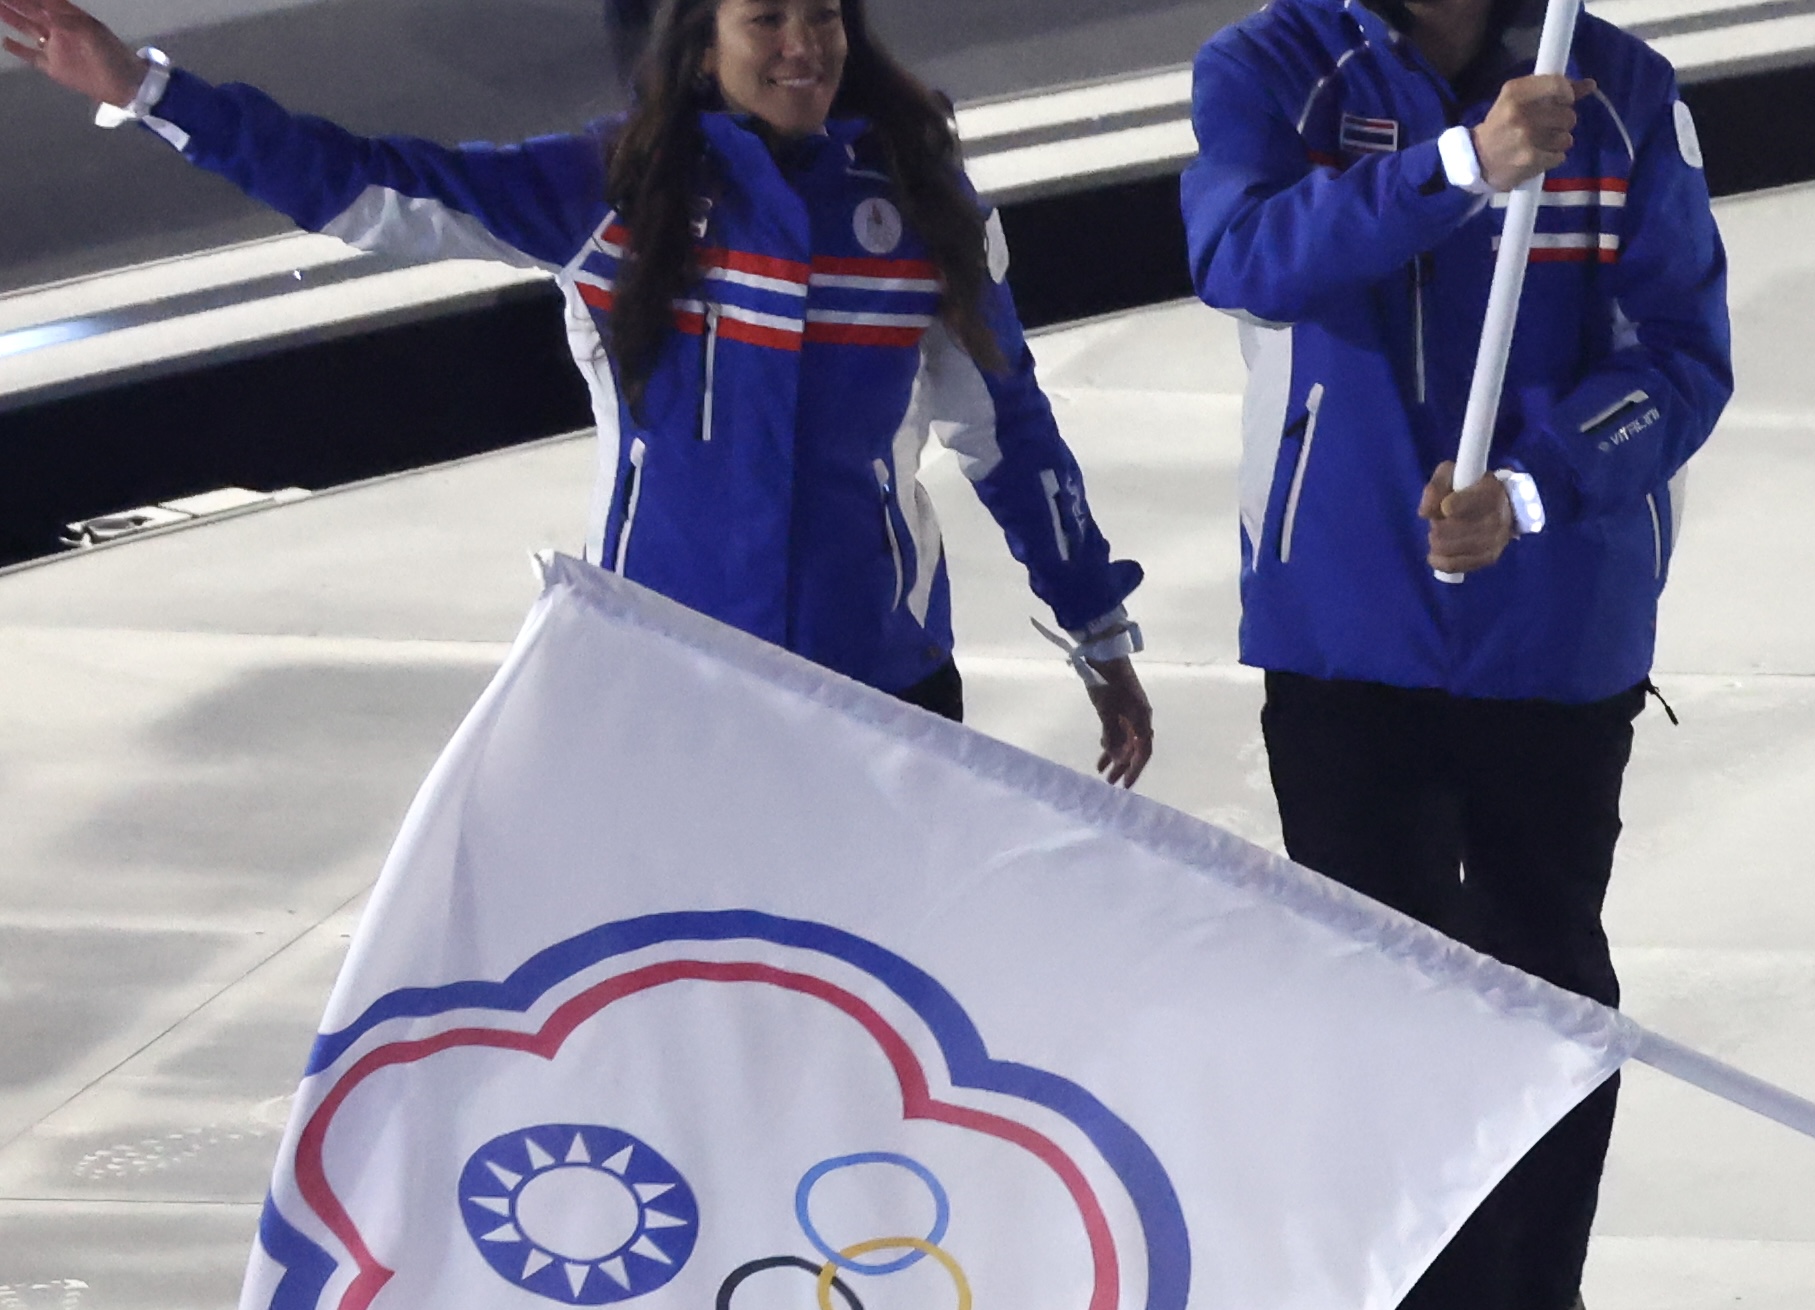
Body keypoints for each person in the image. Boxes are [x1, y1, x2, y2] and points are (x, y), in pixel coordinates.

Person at [0, 0, 1157, 779]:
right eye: (769, 16)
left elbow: (1010, 435)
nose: (803, 41)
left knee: (873, 1038)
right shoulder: (616, 191)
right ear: (706, 43)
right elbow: (361, 182)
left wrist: (1096, 625)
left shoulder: (919, 209)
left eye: (823, 14)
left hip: (887, 697)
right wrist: (147, 86)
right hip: (667, 692)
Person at [1184, 0, 1729, 1310]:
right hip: (1345, 620)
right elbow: (1243, 256)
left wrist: (1546, 482)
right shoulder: (1271, 71)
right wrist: (1459, 165)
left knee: (1543, 978)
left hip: (1552, 627)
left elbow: (1683, 359)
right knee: (1383, 1020)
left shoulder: (1625, 97)